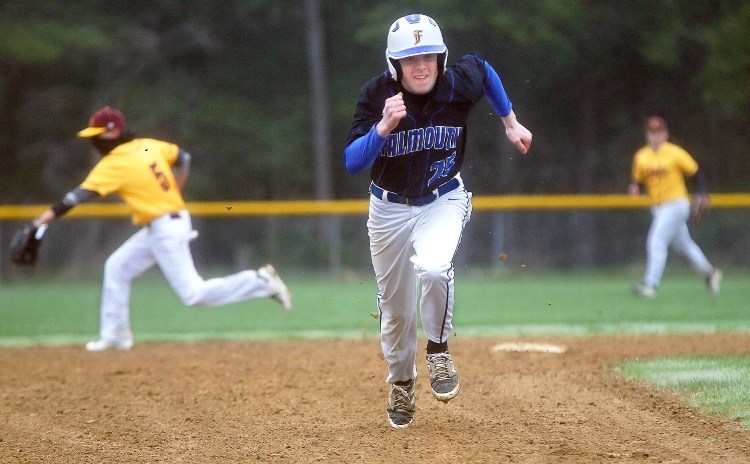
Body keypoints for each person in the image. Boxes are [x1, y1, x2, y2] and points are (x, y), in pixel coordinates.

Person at [344, 14, 532, 428]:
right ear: (395, 65)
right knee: (395, 312)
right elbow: (352, 161)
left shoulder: (456, 81)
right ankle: (401, 382)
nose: (421, 65)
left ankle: (439, 349)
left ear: (441, 57)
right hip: (388, 210)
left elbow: (483, 70)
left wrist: (510, 121)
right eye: (410, 59)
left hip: (442, 198)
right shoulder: (377, 95)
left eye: (428, 55)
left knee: (433, 266)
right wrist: (382, 127)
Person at [32, 106, 292, 351]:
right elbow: (183, 158)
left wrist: (41, 220)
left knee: (194, 295)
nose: (95, 141)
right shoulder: (146, 146)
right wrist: (176, 187)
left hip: (166, 229)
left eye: (98, 135)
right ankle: (115, 336)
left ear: (113, 132)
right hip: (164, 224)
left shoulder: (116, 162)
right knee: (117, 267)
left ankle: (260, 282)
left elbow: (77, 197)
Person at [628, 115, 722, 298]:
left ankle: (650, 285)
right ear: (647, 135)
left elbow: (695, 172)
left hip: (676, 204)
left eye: (658, 132)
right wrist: (635, 188)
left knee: (656, 241)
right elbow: (638, 180)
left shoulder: (675, 153)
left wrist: (702, 193)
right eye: (651, 132)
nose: (654, 136)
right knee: (684, 245)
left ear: (665, 134)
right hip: (658, 207)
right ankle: (710, 274)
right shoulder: (641, 156)